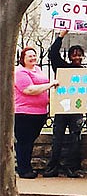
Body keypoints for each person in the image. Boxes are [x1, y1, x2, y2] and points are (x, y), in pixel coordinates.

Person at [44, 29, 85, 178]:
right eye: (74, 54)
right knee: (58, 138)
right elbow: (53, 54)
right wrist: (61, 36)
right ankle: (53, 166)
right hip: (62, 108)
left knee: (75, 138)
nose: (77, 57)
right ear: (69, 57)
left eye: (79, 54)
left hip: (76, 110)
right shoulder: (62, 67)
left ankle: (71, 168)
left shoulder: (85, 72)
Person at [14, 47, 59, 179]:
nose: (33, 58)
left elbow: (41, 88)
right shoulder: (20, 72)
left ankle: (27, 167)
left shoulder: (37, 69)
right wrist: (50, 85)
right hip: (24, 113)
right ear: (23, 58)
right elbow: (29, 90)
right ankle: (23, 170)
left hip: (39, 113)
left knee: (30, 141)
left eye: (34, 55)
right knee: (24, 141)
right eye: (29, 56)